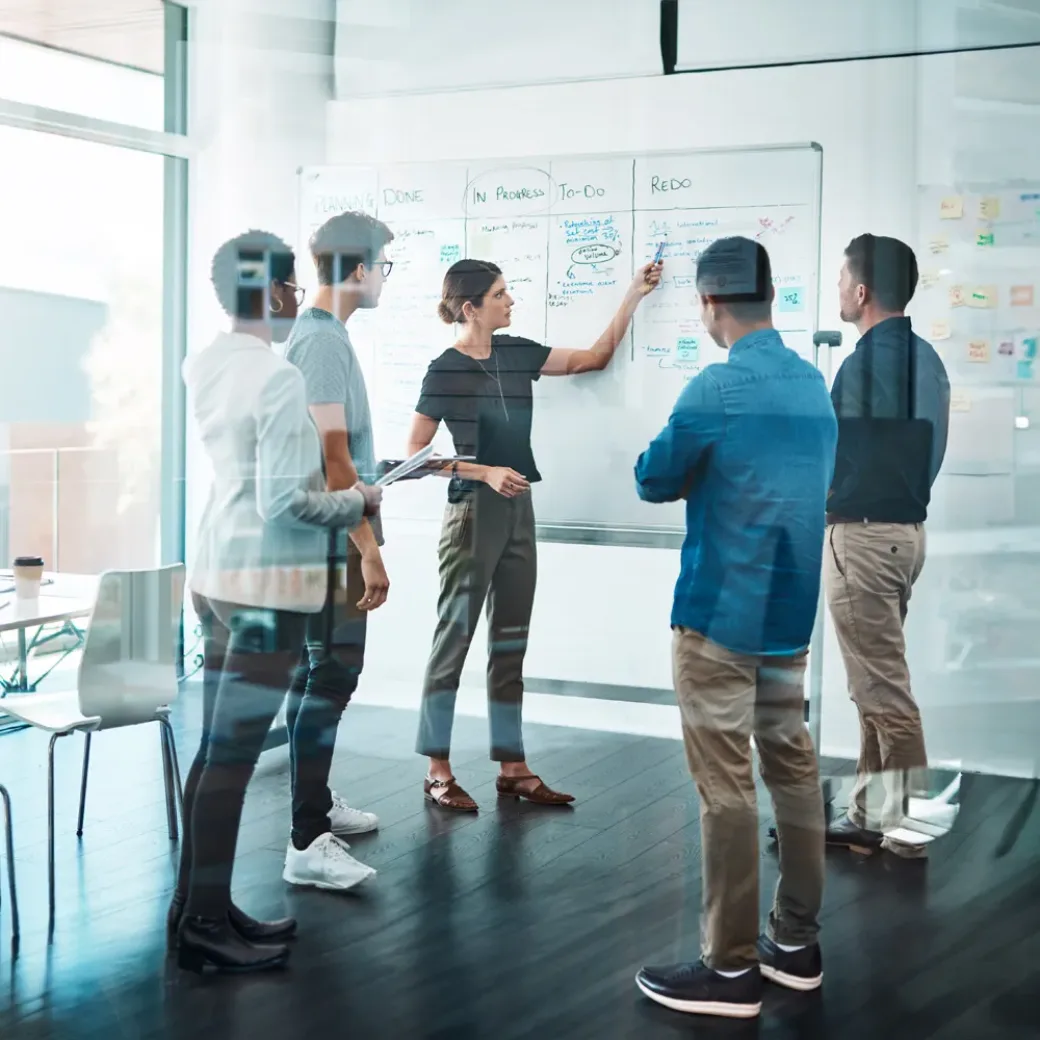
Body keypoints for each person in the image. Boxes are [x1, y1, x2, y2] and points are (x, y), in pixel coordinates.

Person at [632, 237, 837, 1020]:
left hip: (719, 618)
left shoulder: (714, 389)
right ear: (772, 297)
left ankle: (728, 970)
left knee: (725, 791)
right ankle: (796, 946)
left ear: (710, 303)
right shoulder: (814, 387)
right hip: (789, 620)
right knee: (791, 770)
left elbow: (653, 478)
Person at [173, 230, 383, 975]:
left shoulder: (205, 362)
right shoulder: (277, 375)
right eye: (292, 286)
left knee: (214, 753)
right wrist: (360, 498)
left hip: (215, 577)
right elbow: (286, 502)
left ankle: (199, 908)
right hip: (266, 587)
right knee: (230, 759)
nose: (298, 297)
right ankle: (202, 923)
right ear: (276, 293)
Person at [407, 257, 662, 811]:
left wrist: (633, 296)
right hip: (472, 514)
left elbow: (594, 359)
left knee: (510, 641)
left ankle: (512, 766)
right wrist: (482, 470)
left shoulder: (517, 351)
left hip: (520, 509)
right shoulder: (443, 369)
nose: (511, 300)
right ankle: (437, 769)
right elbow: (416, 459)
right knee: (454, 639)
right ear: (471, 307)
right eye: (501, 294)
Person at [279, 210, 395, 893]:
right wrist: (369, 549)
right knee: (331, 678)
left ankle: (314, 810)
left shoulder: (325, 337)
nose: (383, 279)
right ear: (358, 269)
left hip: (325, 531)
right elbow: (331, 455)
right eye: (382, 265)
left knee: (318, 677)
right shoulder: (321, 343)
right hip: (331, 538)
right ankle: (305, 841)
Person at [823, 234, 950, 857]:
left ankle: (909, 833)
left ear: (864, 291)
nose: (839, 291)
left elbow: (833, 457)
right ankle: (870, 815)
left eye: (843, 280)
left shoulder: (864, 364)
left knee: (884, 695)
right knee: (874, 686)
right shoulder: (927, 359)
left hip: (865, 539)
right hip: (904, 537)